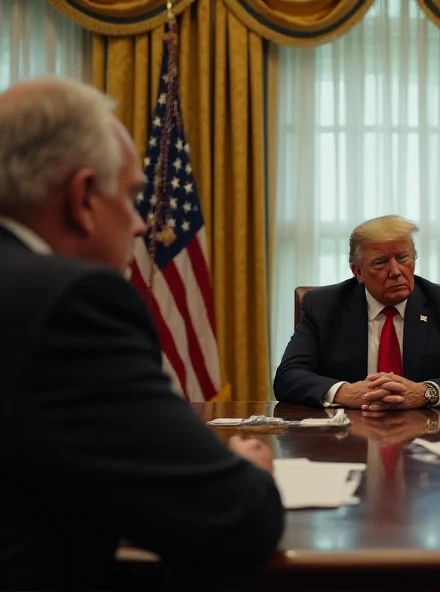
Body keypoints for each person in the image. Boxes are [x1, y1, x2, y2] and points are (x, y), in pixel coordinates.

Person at [0, 77, 284, 590]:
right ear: (82, 197)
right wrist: (248, 467)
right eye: (132, 197)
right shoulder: (69, 302)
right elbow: (236, 520)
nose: (138, 226)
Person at [273, 215, 440, 410]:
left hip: (427, 436)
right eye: (381, 263)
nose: (395, 271)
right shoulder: (323, 307)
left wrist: (424, 392)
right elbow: (288, 377)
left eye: (402, 258)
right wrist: (346, 393)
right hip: (346, 440)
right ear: (358, 272)